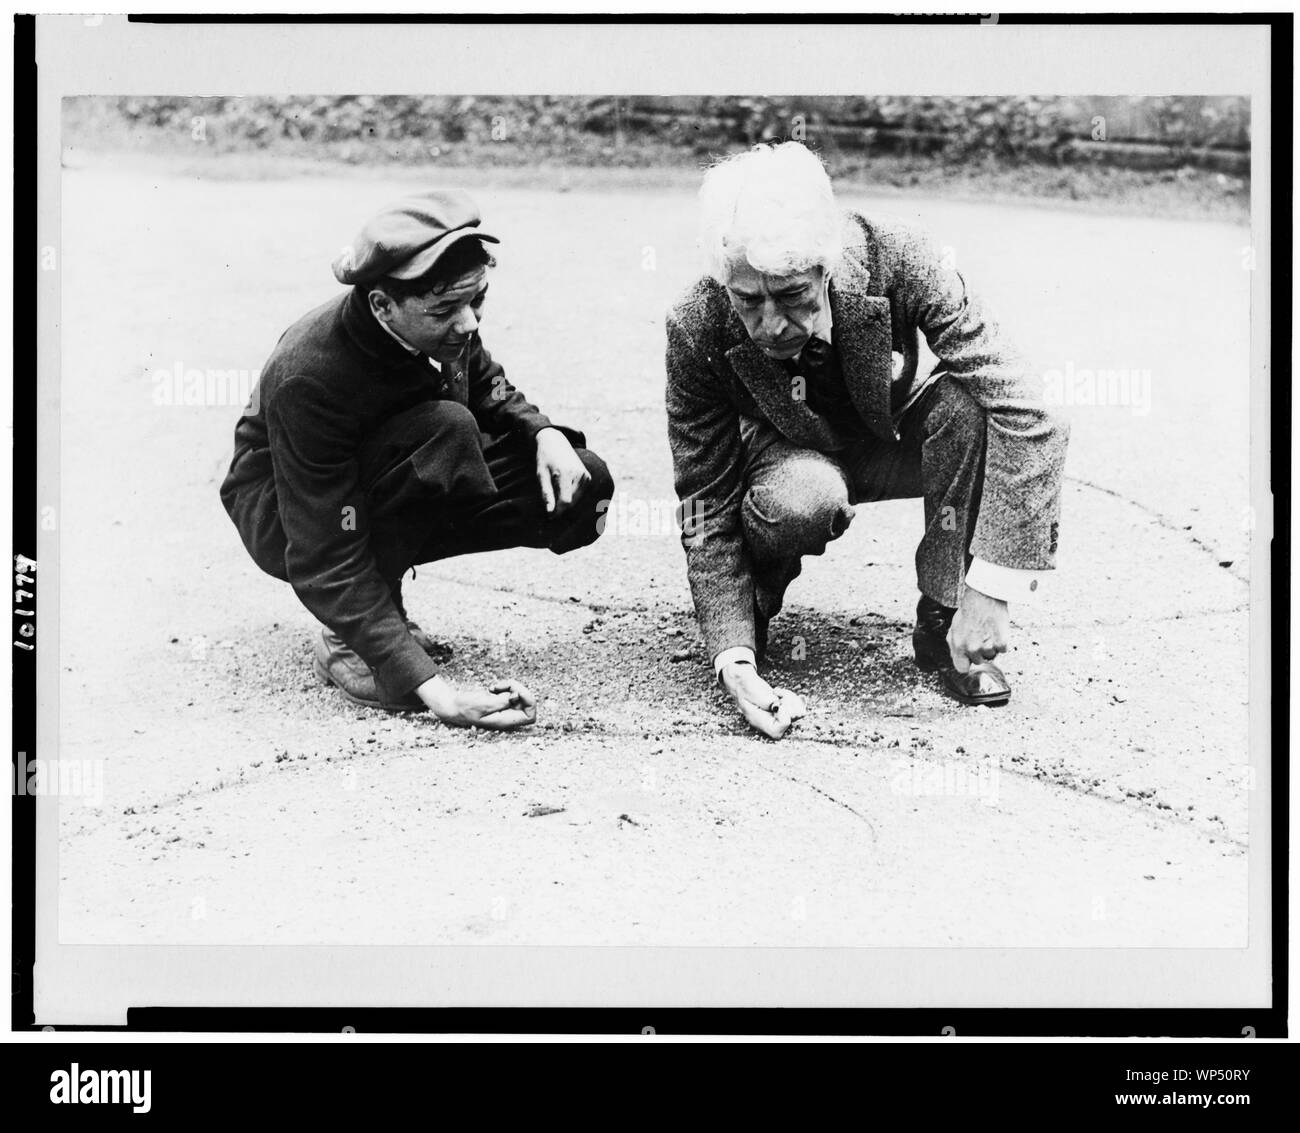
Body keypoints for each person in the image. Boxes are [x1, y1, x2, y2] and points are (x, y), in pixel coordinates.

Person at [665, 142, 1069, 740]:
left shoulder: (903, 258)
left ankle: (945, 615)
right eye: (747, 300)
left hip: (887, 438)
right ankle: (757, 598)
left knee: (969, 404)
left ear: (828, 267)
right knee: (802, 501)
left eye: (793, 295)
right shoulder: (696, 322)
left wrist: (991, 586)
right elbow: (705, 496)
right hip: (789, 461)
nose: (770, 325)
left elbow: (1032, 411)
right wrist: (733, 658)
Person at [221, 189, 613, 729]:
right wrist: (435, 691)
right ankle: (349, 638)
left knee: (581, 480)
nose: (471, 323)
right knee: (446, 433)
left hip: (395, 470)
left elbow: (483, 380)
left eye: (479, 300)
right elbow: (321, 549)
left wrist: (542, 433)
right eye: (448, 310)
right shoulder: (308, 376)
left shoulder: (441, 319)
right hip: (291, 517)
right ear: (382, 305)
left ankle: (376, 612)